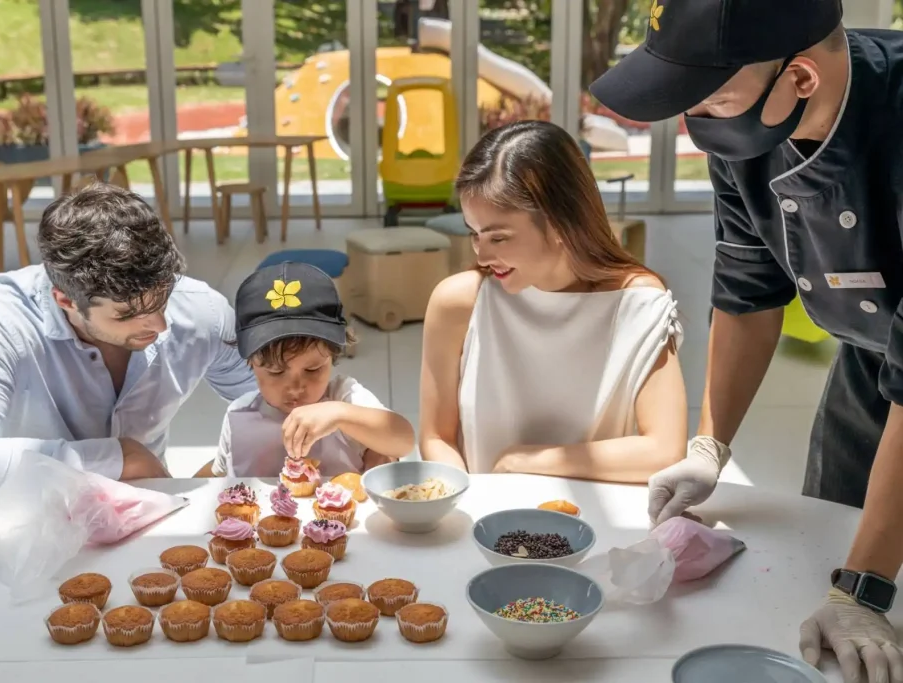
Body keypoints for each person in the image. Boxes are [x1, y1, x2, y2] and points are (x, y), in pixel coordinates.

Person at [589, 0, 903, 679]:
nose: (693, 118)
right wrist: (710, 445)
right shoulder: (747, 130)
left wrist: (868, 586)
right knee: (828, 542)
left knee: (866, 593)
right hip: (870, 359)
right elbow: (747, 288)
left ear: (801, 79)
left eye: (711, 95)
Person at [0, 183, 256, 518]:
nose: (160, 326)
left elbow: (279, 403)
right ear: (66, 300)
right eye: (128, 314)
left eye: (162, 299)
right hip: (32, 530)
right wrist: (116, 457)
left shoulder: (200, 309)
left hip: (151, 522)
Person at [418, 120, 687, 482]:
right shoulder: (458, 303)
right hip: (485, 525)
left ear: (561, 225)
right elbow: (437, 437)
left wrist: (525, 461)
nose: (481, 256)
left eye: (498, 238)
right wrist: (469, 500)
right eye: (474, 234)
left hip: (595, 529)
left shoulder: (637, 304)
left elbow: (665, 452)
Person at [195, 262, 415, 478]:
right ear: (251, 362)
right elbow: (218, 473)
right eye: (276, 372)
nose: (296, 387)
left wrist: (340, 415)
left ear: (332, 356)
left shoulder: (343, 398)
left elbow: (403, 440)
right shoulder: (239, 416)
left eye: (313, 369)